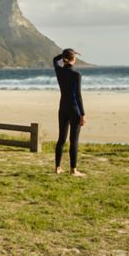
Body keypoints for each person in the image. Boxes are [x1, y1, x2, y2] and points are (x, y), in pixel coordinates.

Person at [53, 48, 86, 176]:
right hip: (74, 110)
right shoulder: (76, 74)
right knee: (74, 140)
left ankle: (57, 167)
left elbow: (55, 60)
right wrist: (82, 114)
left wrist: (64, 54)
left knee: (61, 139)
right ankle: (73, 170)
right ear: (73, 58)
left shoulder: (59, 71)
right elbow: (77, 96)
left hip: (62, 109)